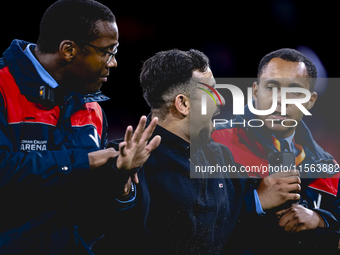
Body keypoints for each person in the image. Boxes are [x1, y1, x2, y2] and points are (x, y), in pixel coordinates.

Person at [0, 0, 160, 254]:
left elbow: (96, 211)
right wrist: (85, 160)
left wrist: (119, 175)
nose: (113, 62)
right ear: (68, 50)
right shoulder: (3, 86)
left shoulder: (93, 110)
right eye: (108, 51)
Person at [92, 49, 246, 254]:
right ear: (183, 103)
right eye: (211, 92)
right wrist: (120, 177)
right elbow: (103, 215)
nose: (221, 101)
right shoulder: (123, 157)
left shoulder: (222, 157)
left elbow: (248, 209)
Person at [212, 48, 340, 254]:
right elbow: (185, 217)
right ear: (255, 91)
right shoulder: (214, 140)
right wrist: (256, 200)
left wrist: (320, 219)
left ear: (310, 101)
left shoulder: (329, 168)